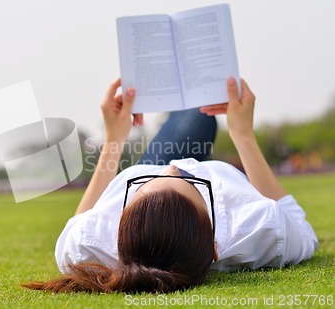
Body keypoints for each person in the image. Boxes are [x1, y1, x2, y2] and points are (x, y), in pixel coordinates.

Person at [23, 77, 318, 293]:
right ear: (215, 247)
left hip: (158, 203)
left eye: (144, 183)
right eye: (192, 183)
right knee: (198, 115)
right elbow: (300, 225)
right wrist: (243, 135)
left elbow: (79, 221)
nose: (173, 166)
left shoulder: (91, 242)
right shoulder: (259, 228)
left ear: (119, 230)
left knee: (192, 118)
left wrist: (114, 138)